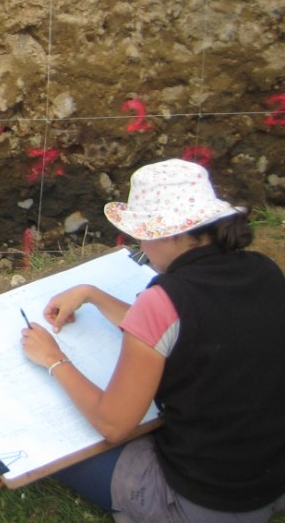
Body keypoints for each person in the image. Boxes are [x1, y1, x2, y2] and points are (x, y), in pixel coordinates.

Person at [20, 158, 285, 521]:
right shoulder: (263, 270)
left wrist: (53, 359)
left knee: (52, 449)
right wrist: (92, 293)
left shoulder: (164, 299)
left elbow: (114, 425)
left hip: (205, 504)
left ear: (167, 233)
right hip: (269, 481)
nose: (140, 242)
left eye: (142, 232)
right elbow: (180, 328)